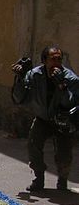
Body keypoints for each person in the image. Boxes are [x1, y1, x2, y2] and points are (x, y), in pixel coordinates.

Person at [12, 46, 79, 192]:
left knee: (64, 152)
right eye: (52, 59)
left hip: (63, 120)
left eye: (59, 59)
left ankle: (62, 181)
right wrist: (20, 77)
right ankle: (39, 179)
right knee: (33, 145)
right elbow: (19, 98)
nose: (56, 62)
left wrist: (61, 86)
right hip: (43, 118)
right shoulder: (35, 75)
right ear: (44, 61)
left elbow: (71, 102)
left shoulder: (70, 78)